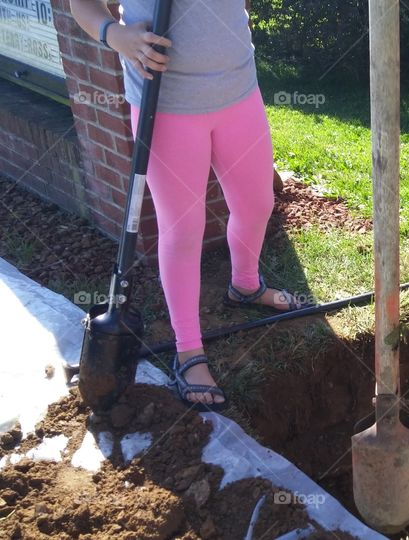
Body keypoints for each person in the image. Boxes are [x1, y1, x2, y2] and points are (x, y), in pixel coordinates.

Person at [70, 0, 307, 411]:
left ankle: (246, 285)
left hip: (238, 90)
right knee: (182, 229)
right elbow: (83, 4)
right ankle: (188, 350)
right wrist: (115, 34)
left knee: (256, 203)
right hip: (167, 103)